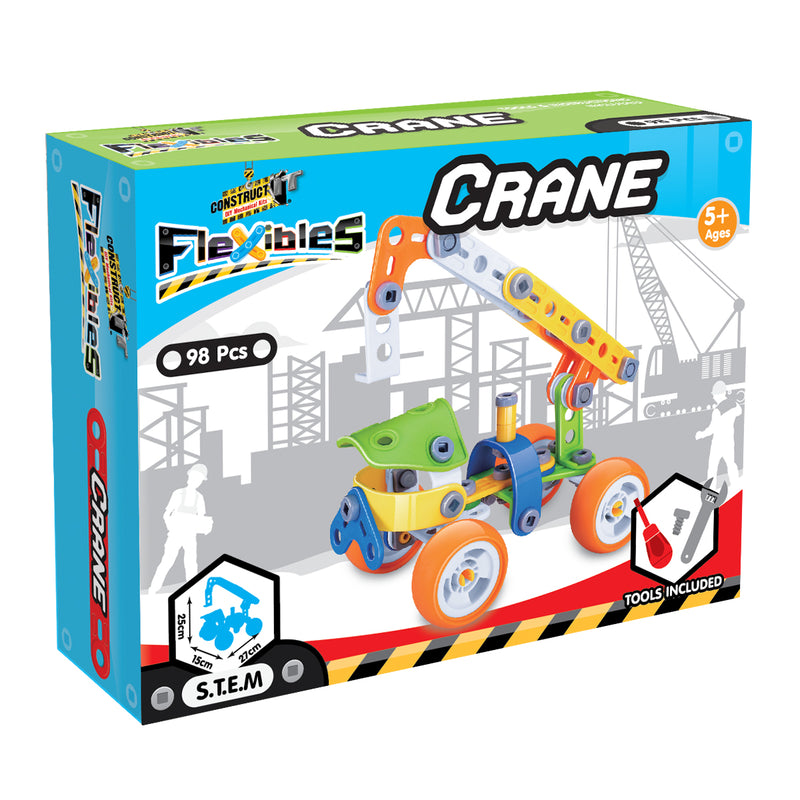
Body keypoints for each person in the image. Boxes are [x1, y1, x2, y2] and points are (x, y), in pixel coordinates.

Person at [148, 463, 213, 594]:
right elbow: (166, 514)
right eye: (194, 477)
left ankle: (193, 591)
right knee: (167, 561)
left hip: (190, 535)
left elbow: (201, 518)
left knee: (191, 564)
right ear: (189, 476)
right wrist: (171, 527)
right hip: (175, 535)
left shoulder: (199, 498)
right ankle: (153, 589)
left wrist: (206, 527)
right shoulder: (177, 493)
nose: (196, 481)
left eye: (199, 479)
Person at [695, 381, 742, 492]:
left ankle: (710, 491)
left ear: (718, 394)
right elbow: (739, 412)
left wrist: (700, 434)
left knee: (712, 468)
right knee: (731, 464)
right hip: (729, 441)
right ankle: (736, 486)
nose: (713, 397)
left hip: (717, 443)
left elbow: (712, 429)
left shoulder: (717, 411)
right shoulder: (735, 404)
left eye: (714, 394)